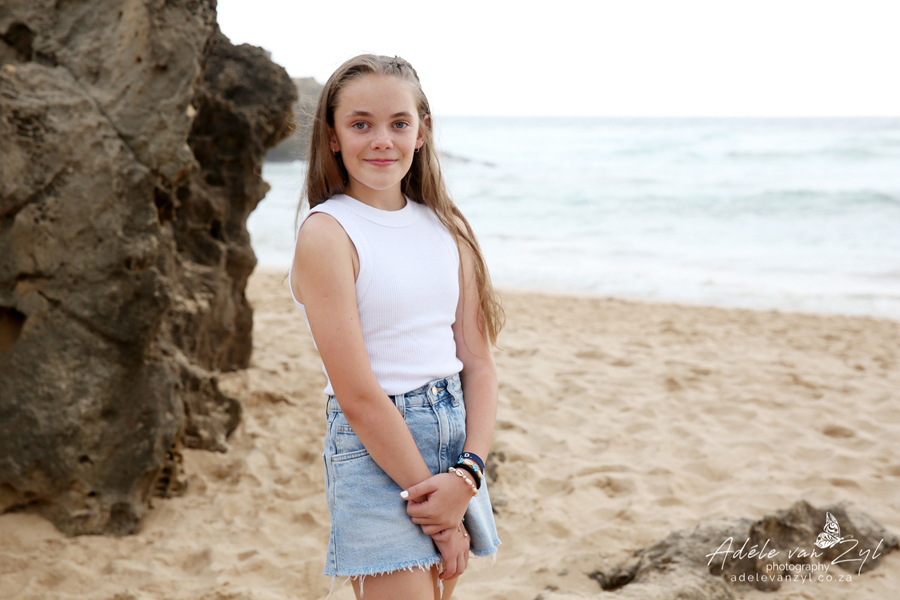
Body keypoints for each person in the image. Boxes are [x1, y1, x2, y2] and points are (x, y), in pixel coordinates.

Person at [288, 54, 504, 600]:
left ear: (421, 132)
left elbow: (479, 365)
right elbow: (359, 395)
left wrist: (467, 475)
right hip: (377, 449)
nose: (382, 140)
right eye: (361, 124)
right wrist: (440, 515)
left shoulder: (448, 228)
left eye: (399, 123)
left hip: (453, 446)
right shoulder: (328, 233)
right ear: (333, 136)